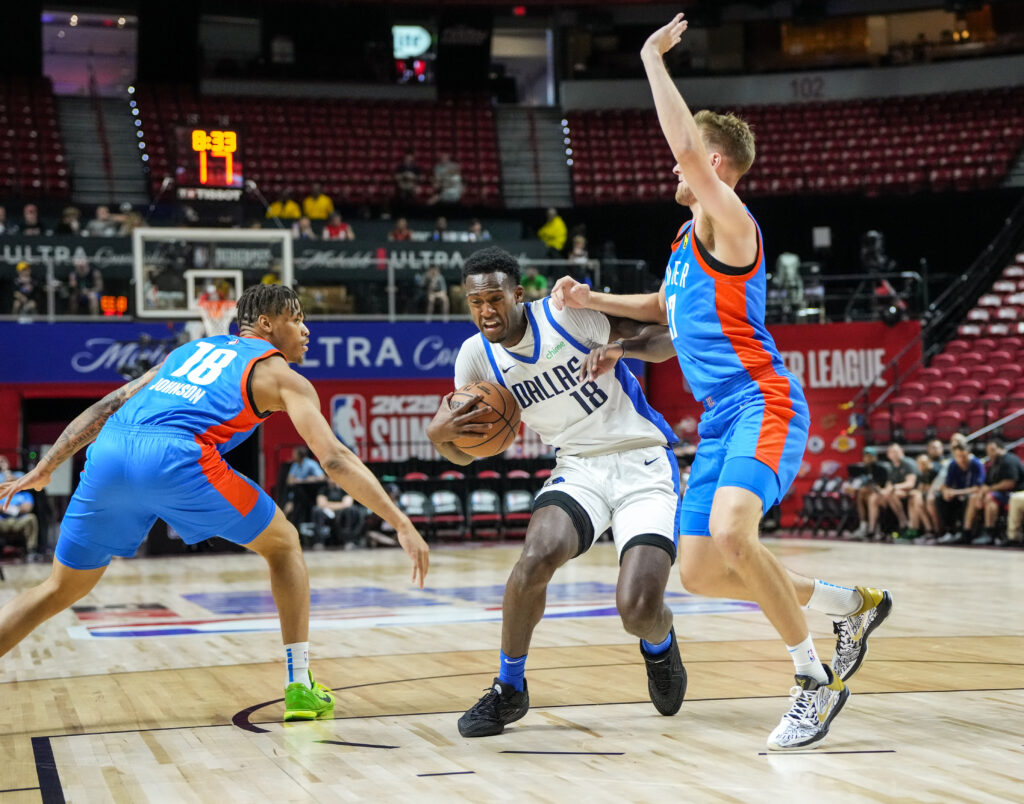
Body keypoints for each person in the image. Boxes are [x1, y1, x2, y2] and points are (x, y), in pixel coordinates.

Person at [550, 14, 891, 751]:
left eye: (687, 165)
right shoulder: (682, 243)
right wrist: (598, 310)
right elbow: (666, 319)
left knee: (736, 533)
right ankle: (848, 605)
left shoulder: (731, 224)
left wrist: (649, 56)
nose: (675, 173)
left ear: (711, 161)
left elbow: (682, 148)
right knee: (702, 571)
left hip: (762, 400)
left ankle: (812, 681)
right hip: (718, 419)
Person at [0, 284, 429, 722]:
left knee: (59, 588)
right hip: (175, 456)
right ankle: (299, 685)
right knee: (283, 544)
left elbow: (109, 403)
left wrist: (46, 466)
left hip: (110, 451)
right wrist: (400, 522)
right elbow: (335, 458)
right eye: (296, 318)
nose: (306, 329)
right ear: (266, 324)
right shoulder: (283, 377)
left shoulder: (188, 351)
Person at [427, 246, 687, 739]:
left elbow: (666, 338)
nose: (485, 311)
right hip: (577, 466)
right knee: (534, 558)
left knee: (637, 611)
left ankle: (659, 643)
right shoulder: (475, 357)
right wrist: (440, 438)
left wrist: (621, 350)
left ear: (517, 295)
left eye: (495, 299)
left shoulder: (567, 315)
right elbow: (464, 453)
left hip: (642, 460)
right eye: (475, 301)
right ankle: (510, 688)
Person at [966, 439, 1024, 546]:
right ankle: (967, 532)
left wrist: (988, 490)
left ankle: (989, 533)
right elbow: (986, 484)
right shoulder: (993, 464)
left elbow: (1010, 483)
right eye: (988, 451)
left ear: (1001, 448)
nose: (990, 454)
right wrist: (981, 493)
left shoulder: (1009, 460)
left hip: (1015, 493)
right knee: (974, 497)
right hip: (1001, 494)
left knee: (990, 498)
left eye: (992, 450)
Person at [936, 443, 986, 544]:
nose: (962, 459)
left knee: (971, 498)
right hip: (957, 495)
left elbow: (978, 488)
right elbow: (946, 484)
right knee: (940, 498)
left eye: (964, 456)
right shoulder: (953, 464)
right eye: (958, 456)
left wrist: (956, 492)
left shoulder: (976, 464)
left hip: (970, 495)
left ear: (968, 454)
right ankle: (949, 531)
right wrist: (946, 491)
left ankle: (966, 533)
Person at [867, 443, 918, 540]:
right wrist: (882, 491)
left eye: (896, 451)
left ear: (902, 452)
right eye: (891, 452)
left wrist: (894, 487)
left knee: (891, 494)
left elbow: (910, 484)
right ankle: (872, 529)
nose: (894, 454)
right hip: (895, 492)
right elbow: (889, 484)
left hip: (911, 492)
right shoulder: (891, 467)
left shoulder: (908, 464)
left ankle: (903, 522)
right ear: (888, 455)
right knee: (873, 497)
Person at [0, 456, 39, 558]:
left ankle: (31, 551)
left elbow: (27, 508)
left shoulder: (25, 494)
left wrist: (6, 470)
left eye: (3, 461)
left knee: (31, 518)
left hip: (19, 521)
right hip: (2, 521)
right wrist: (15, 509)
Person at [313, 480, 366, 550]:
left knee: (351, 509)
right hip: (327, 512)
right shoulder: (324, 490)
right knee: (317, 510)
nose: (333, 480)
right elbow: (320, 504)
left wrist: (329, 504)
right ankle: (319, 541)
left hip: (342, 513)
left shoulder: (345, 489)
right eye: (330, 478)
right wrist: (340, 505)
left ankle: (349, 541)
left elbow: (347, 504)